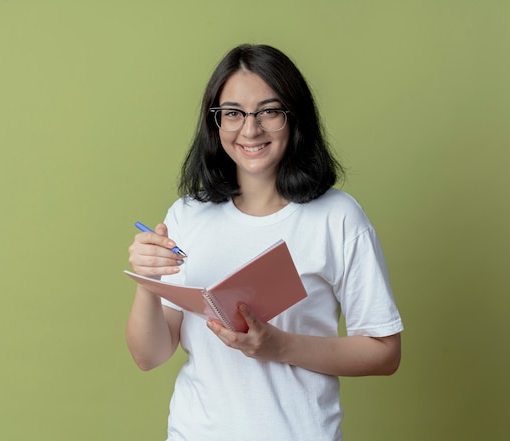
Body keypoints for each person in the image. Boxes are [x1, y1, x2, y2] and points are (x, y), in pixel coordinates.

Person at [126, 44, 403, 441]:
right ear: (215, 122)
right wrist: (147, 283)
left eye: (269, 111)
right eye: (233, 113)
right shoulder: (186, 216)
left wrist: (279, 346)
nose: (250, 129)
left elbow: (385, 352)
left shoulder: (337, 217)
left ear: (294, 118)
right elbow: (148, 356)